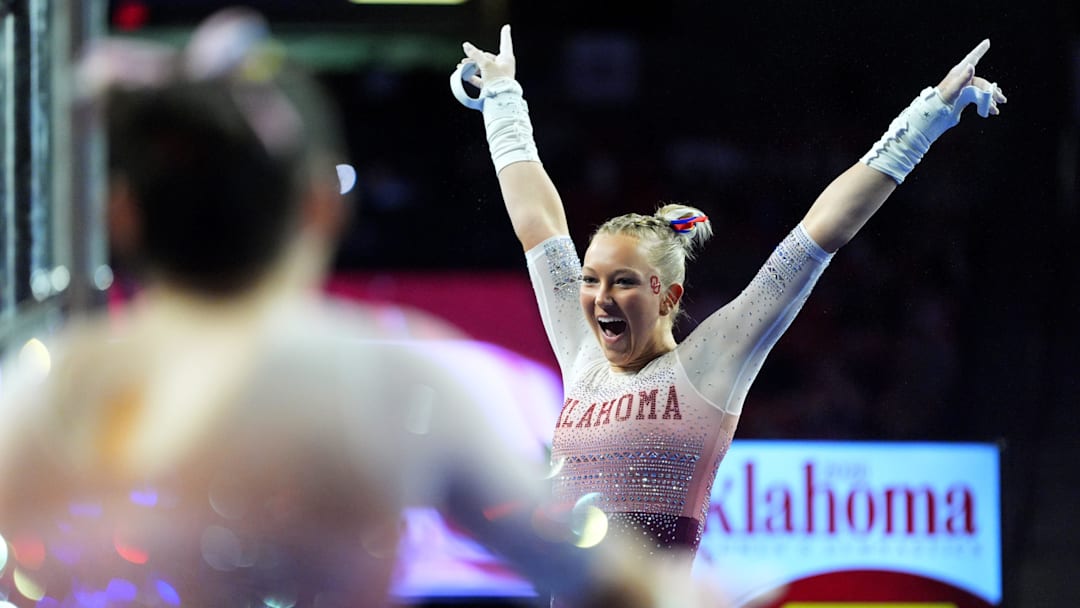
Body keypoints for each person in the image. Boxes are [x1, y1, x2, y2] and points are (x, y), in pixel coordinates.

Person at [0, 9, 726, 608]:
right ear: (322, 208)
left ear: (121, 216)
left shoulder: (35, 399)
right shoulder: (396, 384)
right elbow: (614, 584)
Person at [453, 23, 1006, 574]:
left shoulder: (708, 363)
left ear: (666, 295)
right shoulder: (583, 358)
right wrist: (504, 99)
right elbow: (539, 227)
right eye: (590, 279)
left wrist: (928, 115)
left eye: (622, 281)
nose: (599, 295)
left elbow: (818, 236)